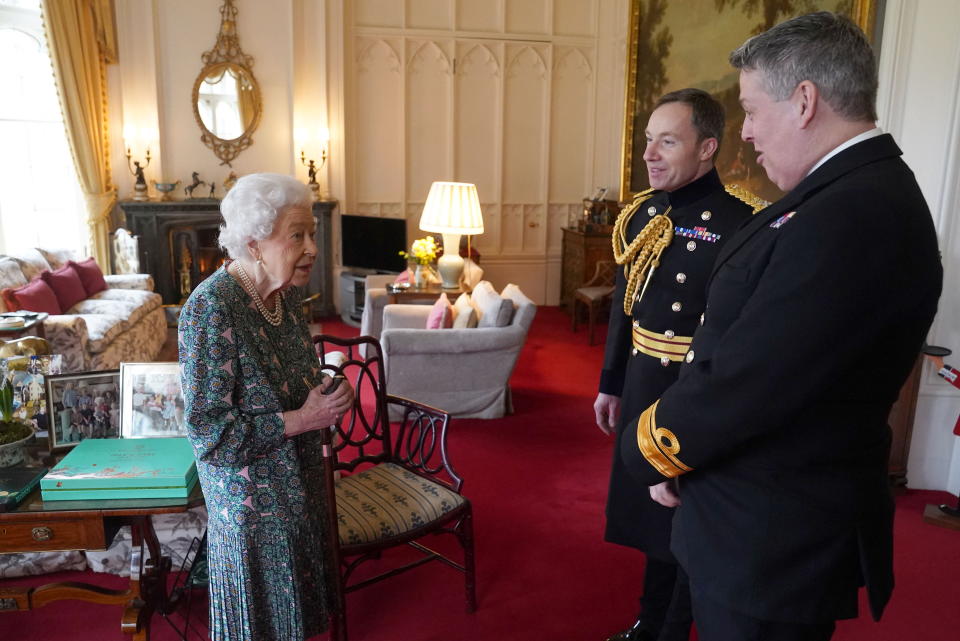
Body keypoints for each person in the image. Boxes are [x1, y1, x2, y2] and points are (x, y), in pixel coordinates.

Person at [619, 12, 942, 641]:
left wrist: (649, 451)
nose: (745, 133)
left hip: (770, 534)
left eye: (751, 109)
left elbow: (750, 380)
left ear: (803, 102)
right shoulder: (846, 195)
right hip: (755, 517)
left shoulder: (849, 215)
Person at [595, 89, 754, 641]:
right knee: (649, 517)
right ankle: (649, 622)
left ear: (707, 147)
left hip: (691, 394)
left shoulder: (741, 223)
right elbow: (625, 301)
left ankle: (670, 632)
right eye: (647, 141)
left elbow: (731, 336)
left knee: (686, 520)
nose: (650, 154)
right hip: (642, 384)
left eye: (668, 141)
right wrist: (610, 383)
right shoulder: (643, 211)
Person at [179, 172, 354, 641]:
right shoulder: (210, 309)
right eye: (297, 235)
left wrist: (330, 388)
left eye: (311, 234)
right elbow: (211, 435)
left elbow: (297, 380)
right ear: (254, 243)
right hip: (254, 516)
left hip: (300, 490)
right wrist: (304, 418)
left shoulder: (289, 299)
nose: (313, 248)